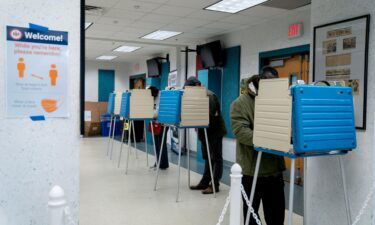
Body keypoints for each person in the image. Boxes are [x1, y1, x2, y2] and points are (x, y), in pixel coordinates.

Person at [230, 66, 286, 225]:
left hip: (274, 170)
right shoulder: (240, 103)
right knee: (251, 216)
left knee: (276, 215)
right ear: (260, 81)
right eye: (269, 84)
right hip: (251, 170)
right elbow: (240, 131)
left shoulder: (280, 101)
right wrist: (268, 139)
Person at [185, 77, 227, 194]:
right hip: (204, 131)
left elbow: (210, 117)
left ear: (197, 86)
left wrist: (195, 119)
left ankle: (215, 185)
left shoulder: (209, 96)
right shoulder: (197, 96)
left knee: (216, 158)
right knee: (207, 158)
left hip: (214, 131)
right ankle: (204, 182)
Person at [149, 85, 169, 170]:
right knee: (157, 144)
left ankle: (162, 164)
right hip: (155, 123)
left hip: (163, 124)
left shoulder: (161, 96)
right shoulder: (154, 96)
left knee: (161, 144)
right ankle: (159, 162)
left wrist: (149, 114)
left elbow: (157, 111)